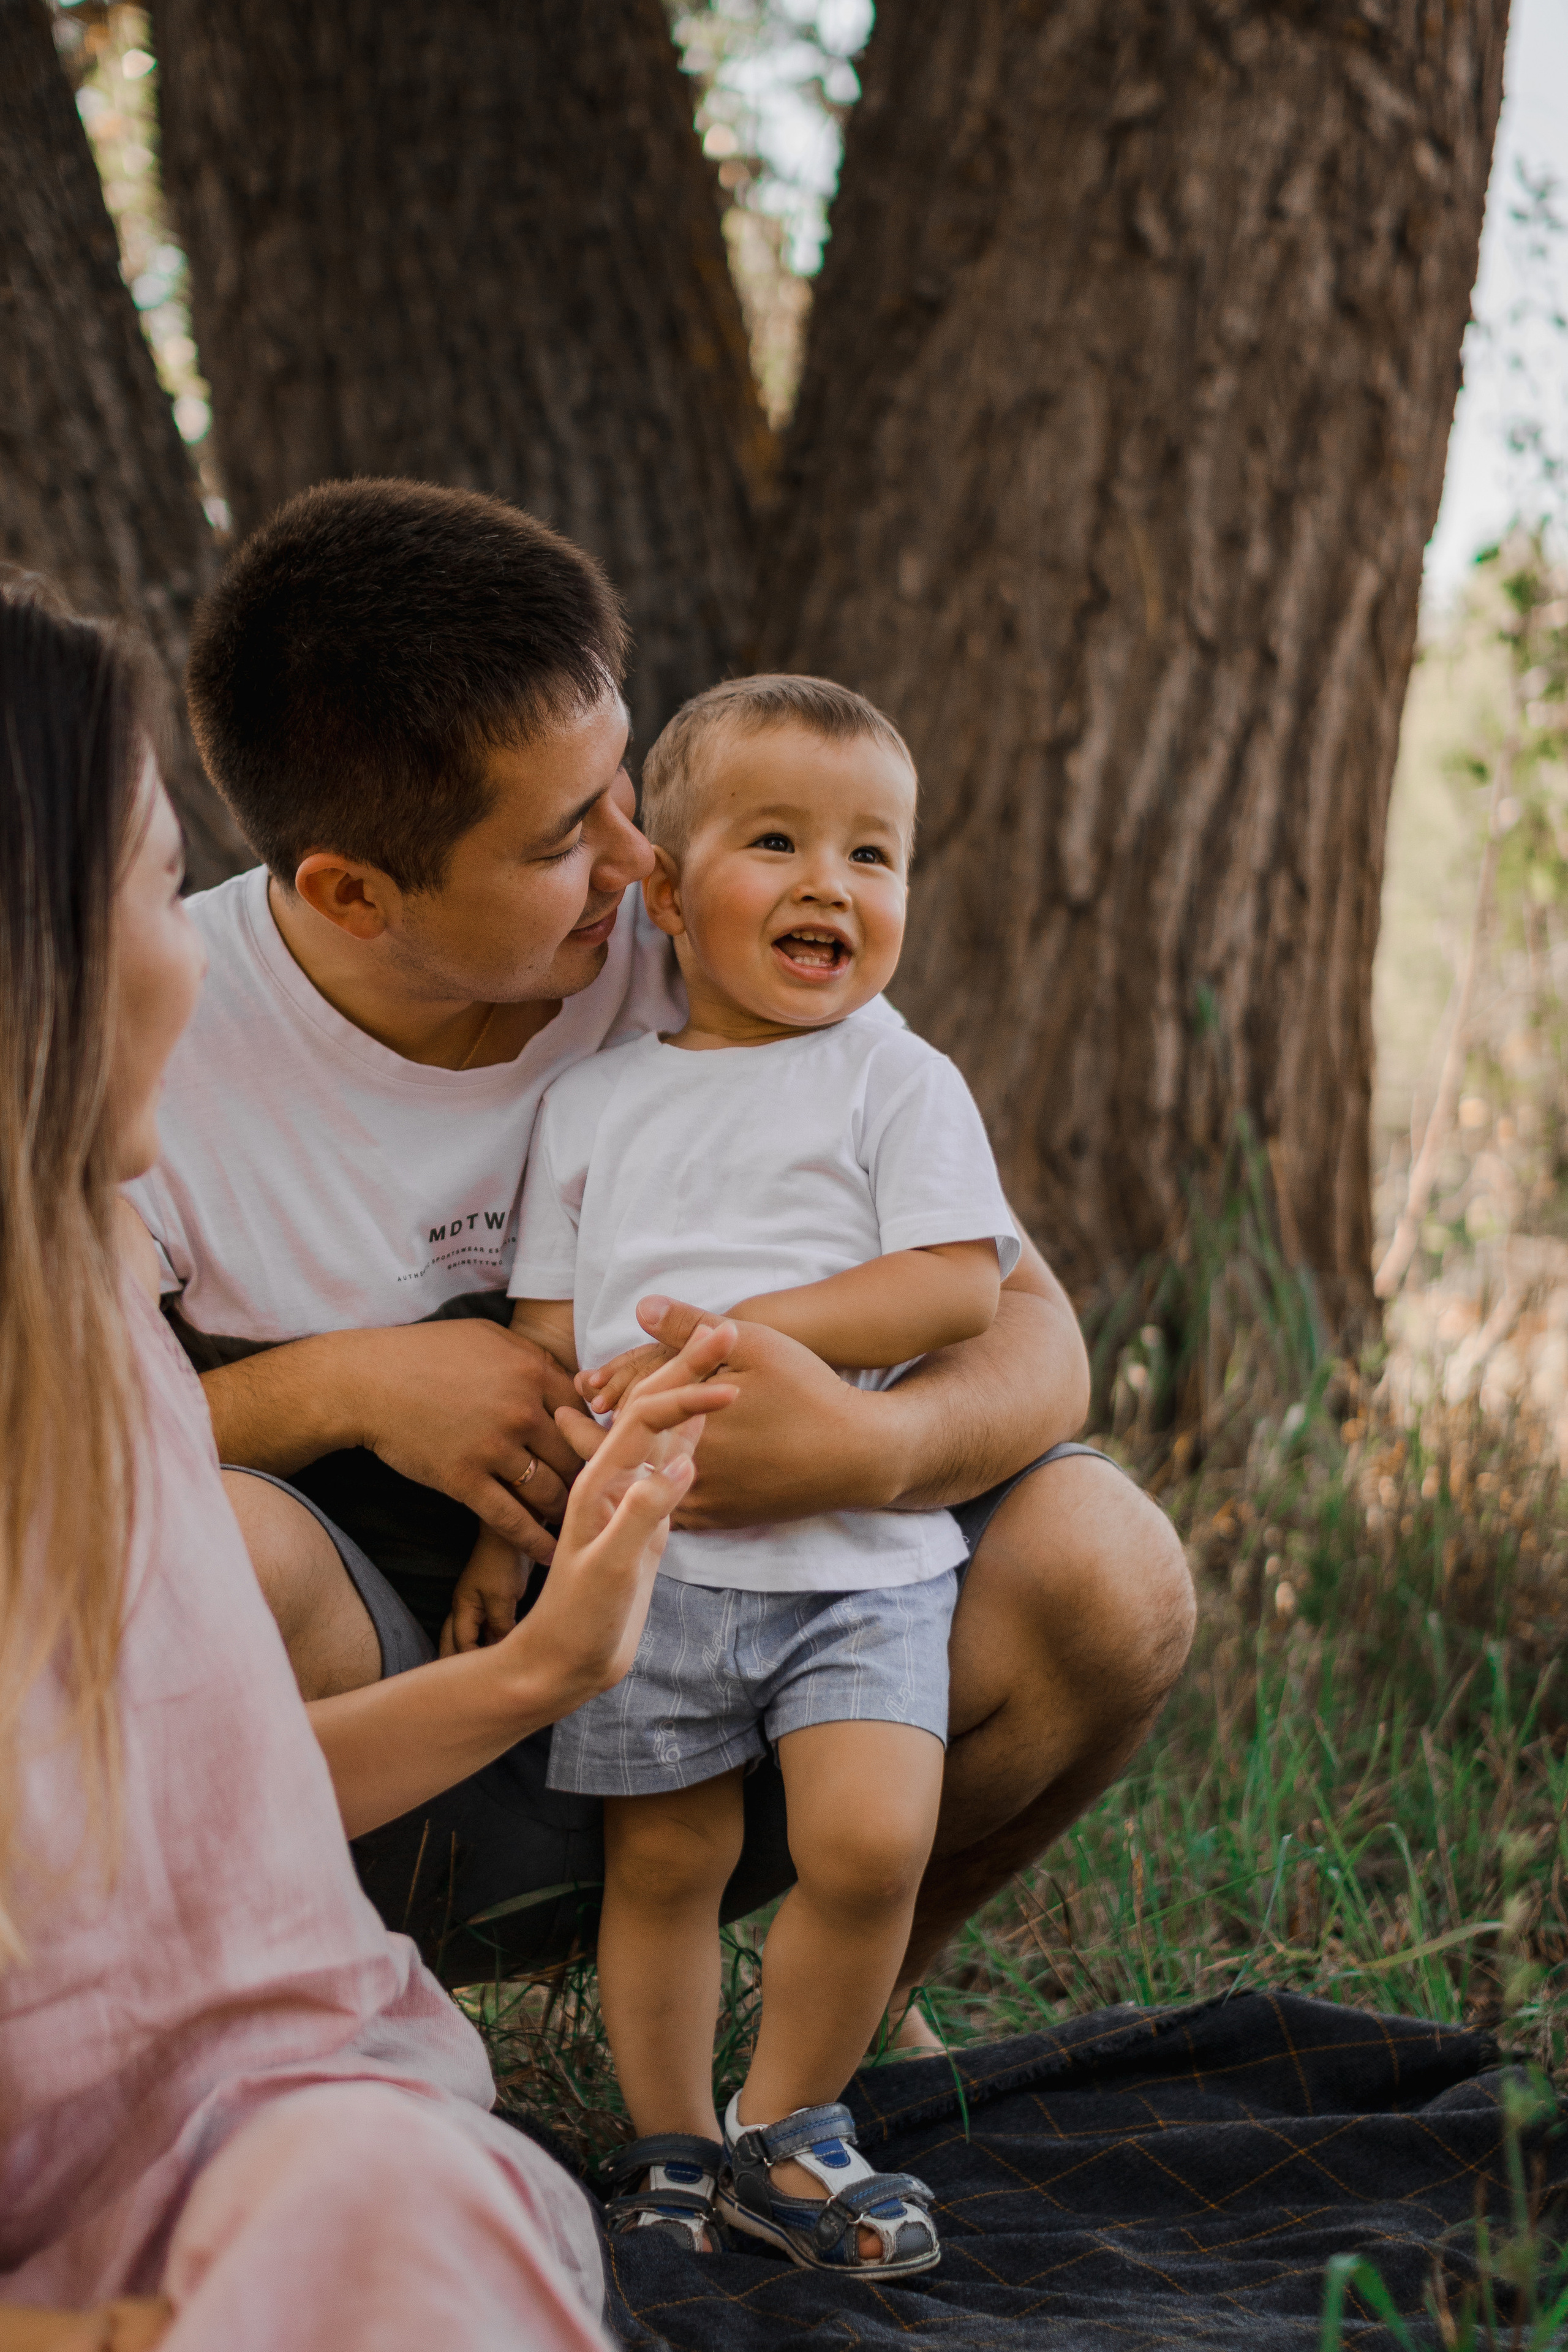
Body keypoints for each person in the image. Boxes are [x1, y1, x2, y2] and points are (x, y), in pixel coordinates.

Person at [122, 478, 1195, 2015]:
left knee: (1111, 1569)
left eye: (627, 788)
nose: (642, 862)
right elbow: (50, 1477)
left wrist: (865, 1454)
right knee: (205, 1542)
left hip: (771, 1639)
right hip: (380, 1727)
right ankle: (283, 2028)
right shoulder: (149, 1039)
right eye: (566, 838)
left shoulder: (696, 936)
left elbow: (1035, 1338)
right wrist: (346, 1388)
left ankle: (835, 2027)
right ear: (351, 892)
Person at [0, 576, 737, 2350]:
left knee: (374, 2203)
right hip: (163, 2209)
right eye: (144, 886)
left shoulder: (82, 1298)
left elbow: (198, 1834)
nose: (188, 936)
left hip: (299, 2135)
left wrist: (559, 1660)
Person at [479, 675, 1015, 2271]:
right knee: (669, 1861)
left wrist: (739, 1336)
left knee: (867, 1842)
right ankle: (668, 2143)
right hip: (654, 1568)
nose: (828, 886)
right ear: (663, 885)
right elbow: (545, 1340)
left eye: (872, 855)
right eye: (776, 842)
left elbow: (953, 1286)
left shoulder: (894, 1079)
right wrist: (514, 1535)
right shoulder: (591, 1103)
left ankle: (792, 2127)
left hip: (860, 1559)